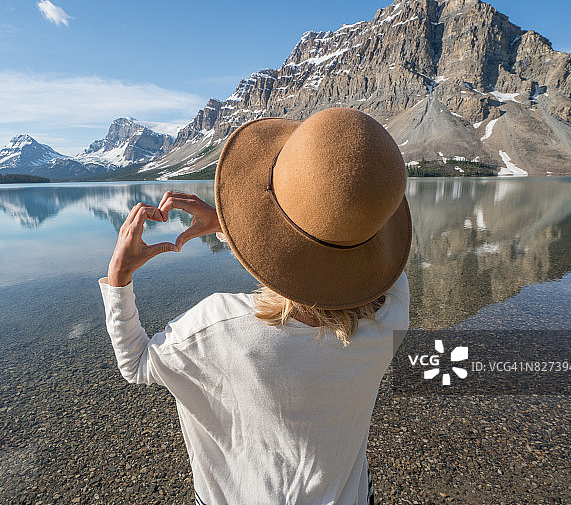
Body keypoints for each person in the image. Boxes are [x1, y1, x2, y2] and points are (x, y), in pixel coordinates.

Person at [99, 107, 412, 504]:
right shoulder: (392, 313)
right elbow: (352, 270)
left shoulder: (222, 327)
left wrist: (119, 279)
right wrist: (235, 230)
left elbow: (136, 362)